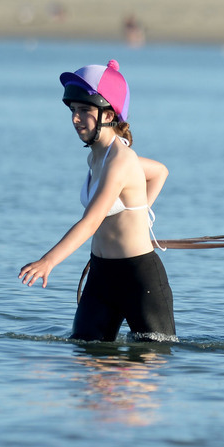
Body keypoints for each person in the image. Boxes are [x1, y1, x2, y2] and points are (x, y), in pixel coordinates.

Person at [19, 60, 176, 342]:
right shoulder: (96, 156)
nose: (75, 118)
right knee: (84, 355)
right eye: (73, 110)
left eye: (84, 110)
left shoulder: (120, 160)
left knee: (149, 363)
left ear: (108, 114)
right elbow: (159, 171)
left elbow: (91, 222)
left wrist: (48, 261)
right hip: (101, 275)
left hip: (139, 278)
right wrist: (139, 213)